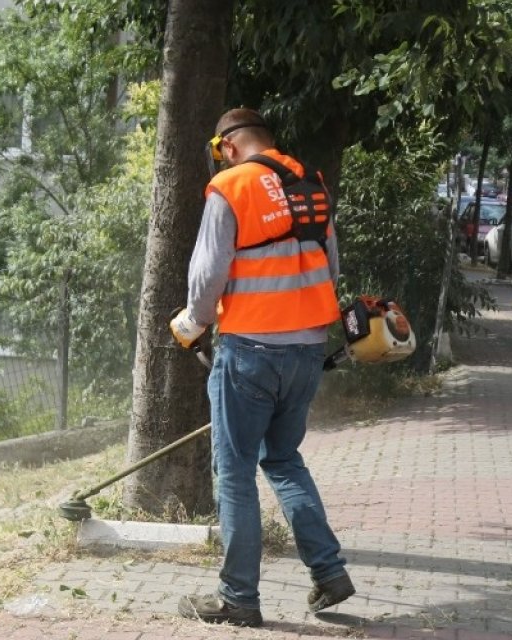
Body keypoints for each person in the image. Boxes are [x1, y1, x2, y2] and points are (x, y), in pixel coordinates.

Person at [169, 108, 355, 628]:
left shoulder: (229, 187)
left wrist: (193, 323)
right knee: (284, 460)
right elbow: (330, 268)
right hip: (306, 350)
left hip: (250, 348)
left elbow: (208, 274)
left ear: (227, 147)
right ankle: (329, 572)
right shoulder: (312, 185)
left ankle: (238, 600)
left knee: (234, 473)